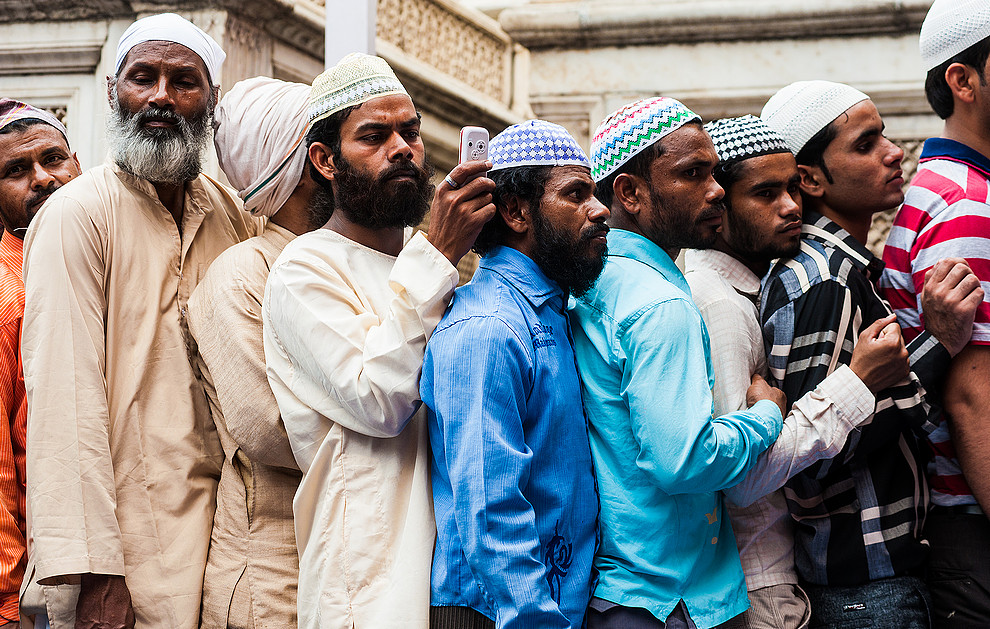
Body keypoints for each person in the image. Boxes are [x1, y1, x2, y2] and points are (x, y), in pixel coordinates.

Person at [21, 13, 260, 629]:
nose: (160, 97)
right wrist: (95, 573)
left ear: (211, 101)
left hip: (225, 546)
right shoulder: (77, 214)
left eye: (183, 81)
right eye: (142, 77)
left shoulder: (230, 212)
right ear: (112, 93)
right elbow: (62, 406)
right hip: (125, 555)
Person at [262, 53, 496, 629]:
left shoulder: (432, 264)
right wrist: (438, 253)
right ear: (325, 160)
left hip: (456, 580)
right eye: (374, 135)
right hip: (366, 585)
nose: (402, 148)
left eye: (410, 132)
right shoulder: (304, 269)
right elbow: (381, 400)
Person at [759, 80, 982, 628]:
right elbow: (811, 458)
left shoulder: (845, 269)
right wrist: (939, 341)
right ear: (809, 178)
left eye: (882, 134)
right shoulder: (823, 281)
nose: (893, 151)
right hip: (867, 587)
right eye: (865, 144)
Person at [685, 115, 911, 629]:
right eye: (765, 194)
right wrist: (856, 382)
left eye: (792, 188)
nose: (791, 206)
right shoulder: (719, 303)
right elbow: (740, 478)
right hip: (758, 585)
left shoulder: (751, 288)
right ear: (718, 207)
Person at [570, 96, 787, 629]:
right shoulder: (660, 302)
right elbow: (683, 462)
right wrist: (764, 416)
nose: (716, 190)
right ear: (630, 192)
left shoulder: (596, 279)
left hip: (621, 589)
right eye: (692, 174)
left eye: (713, 172)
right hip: (674, 597)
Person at [422, 120, 604, 629]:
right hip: (500, 613)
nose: (600, 208)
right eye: (576, 194)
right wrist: (536, 620)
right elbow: (491, 506)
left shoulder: (552, 312)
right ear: (517, 211)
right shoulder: (487, 328)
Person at [187, 76, 318, 629]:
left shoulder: (357, 262)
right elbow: (270, 431)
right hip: (269, 581)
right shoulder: (240, 277)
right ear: (306, 164)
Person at [880, 2, 990, 624]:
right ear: (963, 80)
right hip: (972, 521)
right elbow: (975, 399)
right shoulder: (965, 206)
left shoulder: (953, 188)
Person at [0, 100, 81, 629]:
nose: (43, 179)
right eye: (15, 171)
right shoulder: (7, 297)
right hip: (40, 588)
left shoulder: (111, 258)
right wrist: (8, 604)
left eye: (54, 159)